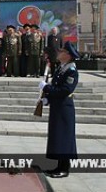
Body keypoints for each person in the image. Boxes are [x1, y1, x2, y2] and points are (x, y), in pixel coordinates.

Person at [41, 41, 80, 178]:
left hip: (64, 108)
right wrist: (48, 99)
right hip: (57, 107)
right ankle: (58, 166)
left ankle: (64, 168)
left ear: (68, 55)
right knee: (58, 137)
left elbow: (65, 90)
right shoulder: (61, 68)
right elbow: (56, 88)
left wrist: (47, 88)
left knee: (64, 137)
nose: (59, 53)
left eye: (62, 51)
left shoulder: (71, 71)